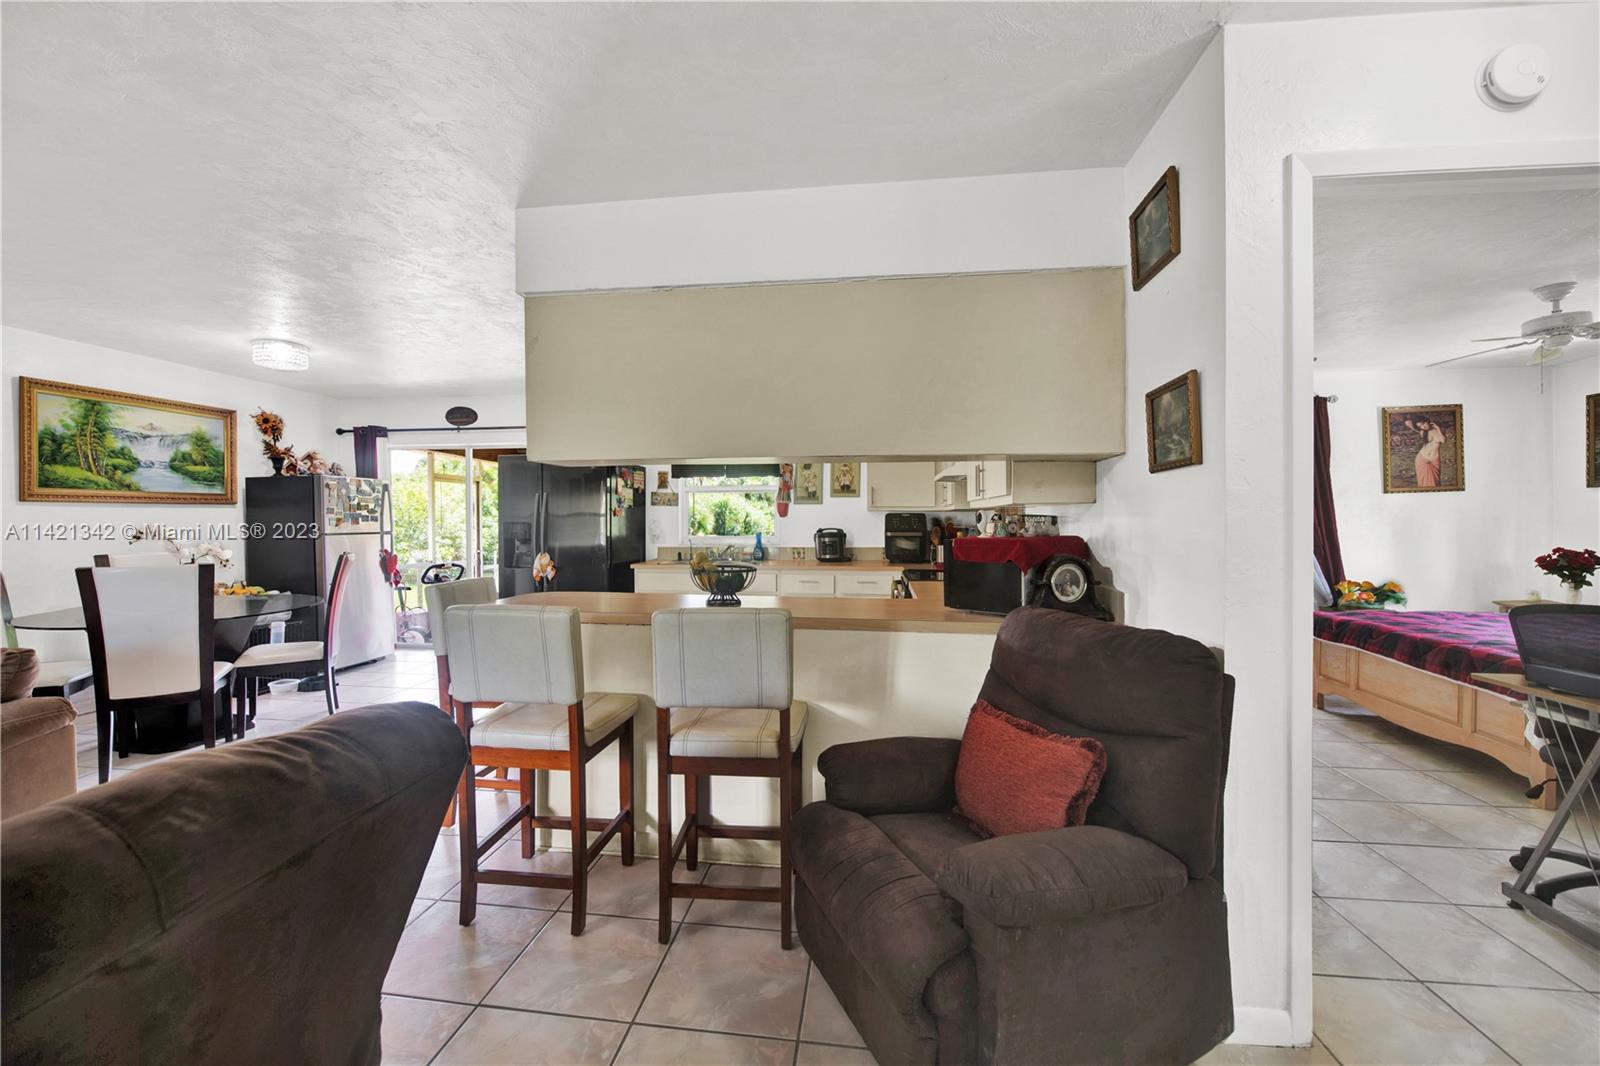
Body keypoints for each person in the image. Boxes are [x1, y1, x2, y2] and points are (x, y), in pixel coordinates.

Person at [1413, 418, 1445, 487]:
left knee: (1435, 482)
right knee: (1423, 483)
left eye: (1423, 423)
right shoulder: (1423, 432)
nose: (1423, 427)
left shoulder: (1439, 429)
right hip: (1422, 458)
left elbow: (1443, 440)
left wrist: (1438, 428)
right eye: (1420, 426)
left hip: (1434, 459)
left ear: (1427, 421)